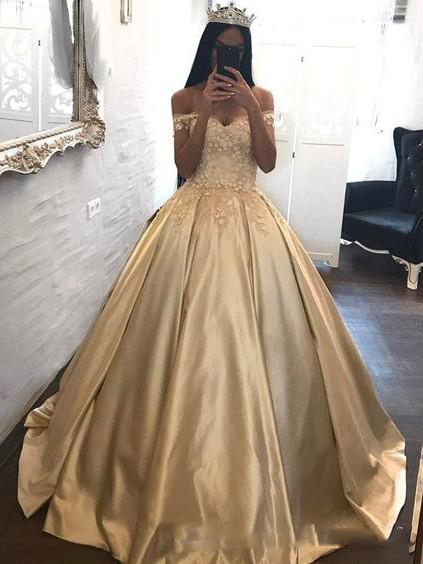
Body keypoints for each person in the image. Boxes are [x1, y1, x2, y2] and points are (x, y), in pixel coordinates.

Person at [17, 3, 406, 563]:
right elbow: (184, 165)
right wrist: (202, 112)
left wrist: (249, 106)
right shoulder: (183, 98)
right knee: (166, 336)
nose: (231, 58)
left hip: (252, 222)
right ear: (208, 50)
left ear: (247, 53)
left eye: (239, 51)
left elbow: (266, 163)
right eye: (223, 50)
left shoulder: (261, 97)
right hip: (191, 218)